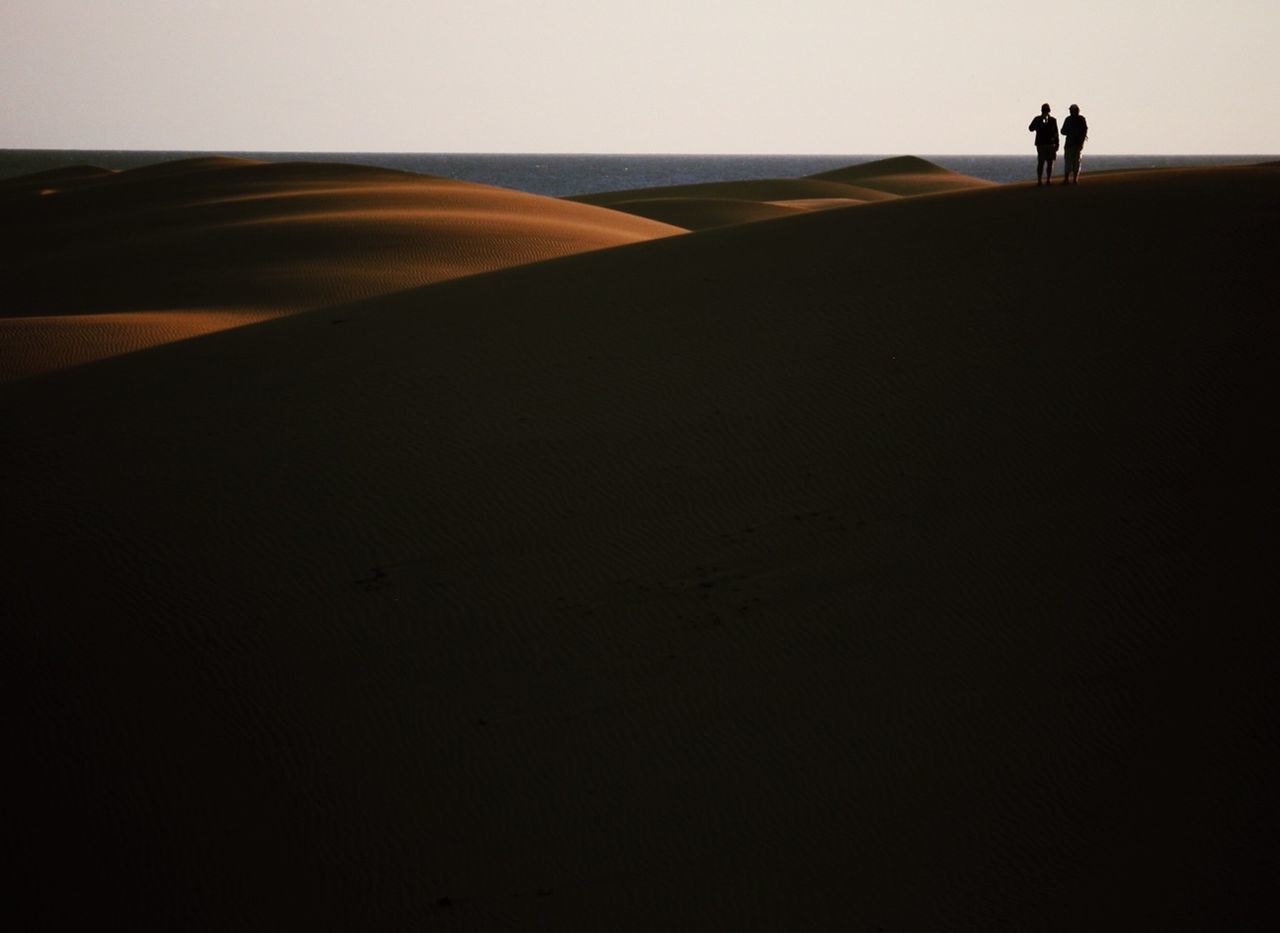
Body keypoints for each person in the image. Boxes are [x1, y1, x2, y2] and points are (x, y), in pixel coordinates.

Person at [1028, 103, 1059, 186]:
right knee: (1041, 162)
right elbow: (1030, 128)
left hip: (1050, 144)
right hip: (1041, 144)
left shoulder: (1053, 120)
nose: (1045, 112)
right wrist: (1038, 124)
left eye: (1046, 110)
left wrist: (1057, 143)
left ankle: (1048, 180)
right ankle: (1040, 181)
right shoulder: (1037, 119)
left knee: (1049, 163)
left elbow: (1056, 133)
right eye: (1044, 110)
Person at [1060, 104, 1088, 184]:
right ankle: (1072, 179)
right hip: (1074, 144)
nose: (1070, 112)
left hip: (1073, 144)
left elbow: (1063, 131)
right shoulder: (1080, 119)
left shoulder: (1070, 119)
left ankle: (1069, 179)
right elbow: (1084, 131)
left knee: (1071, 162)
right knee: (1074, 162)